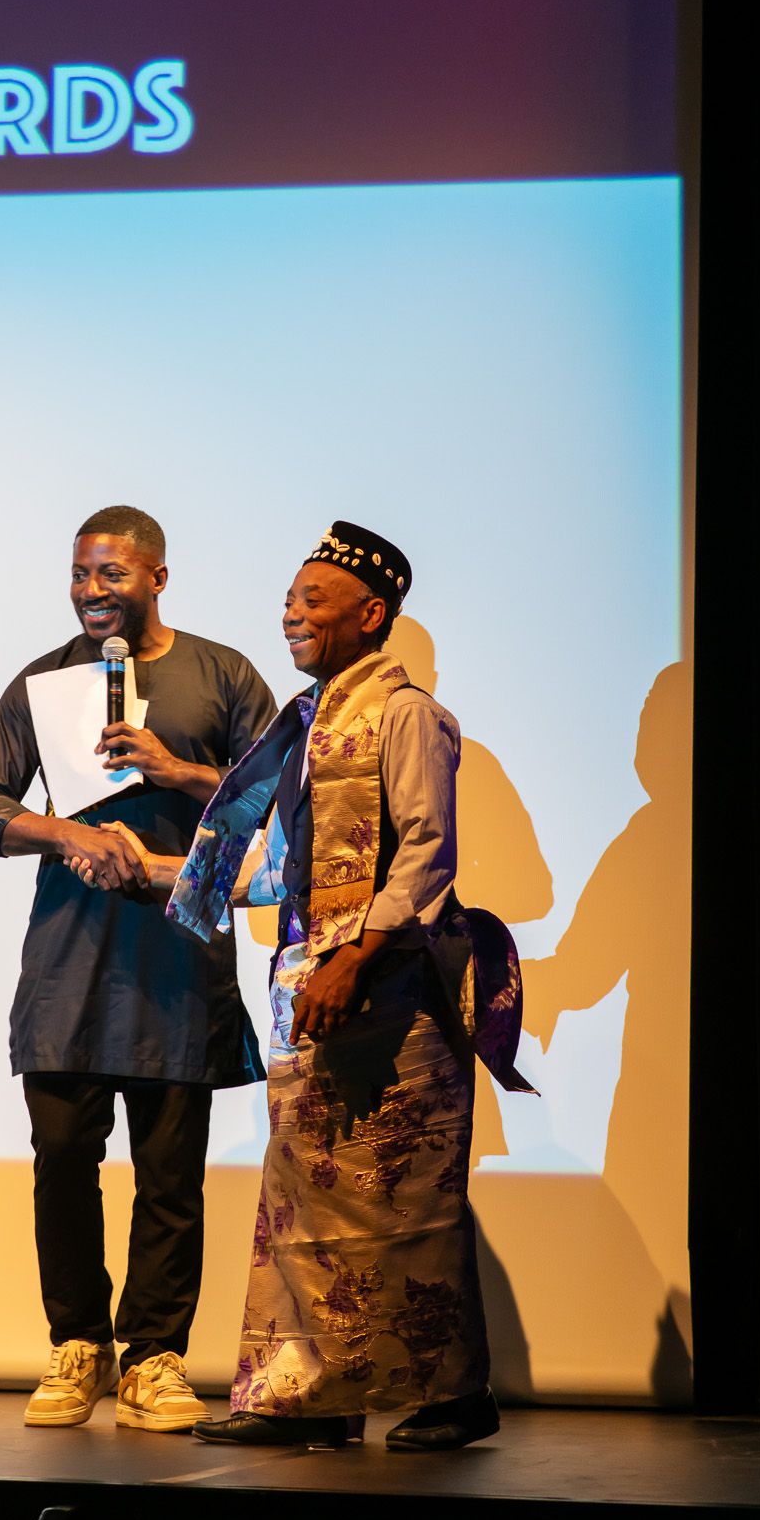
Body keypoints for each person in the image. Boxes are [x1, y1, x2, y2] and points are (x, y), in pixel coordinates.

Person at [84, 522, 530, 1451]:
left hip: (390, 994)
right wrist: (155, 870)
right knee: (308, 1208)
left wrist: (352, 960)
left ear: (371, 615)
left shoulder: (406, 715)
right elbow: (286, 871)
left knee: (402, 1206)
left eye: (312, 599)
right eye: (289, 598)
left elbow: (426, 855)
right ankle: (312, 1399)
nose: (291, 613)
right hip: (312, 986)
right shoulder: (310, 721)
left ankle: (454, 1395)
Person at [0, 505, 275, 1433]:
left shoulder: (221, 675)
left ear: (156, 578)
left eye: (112, 574)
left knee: (169, 1176)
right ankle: (79, 1345)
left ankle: (155, 1357)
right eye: (80, 574)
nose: (91, 591)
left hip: (178, 961)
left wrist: (178, 771)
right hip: (70, 963)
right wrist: (66, 834)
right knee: (62, 1160)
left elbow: (279, 799)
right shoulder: (44, 682)